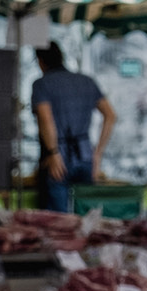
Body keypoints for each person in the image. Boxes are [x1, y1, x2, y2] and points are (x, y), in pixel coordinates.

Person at [31, 43, 111, 212]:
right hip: (86, 156)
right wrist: (97, 154)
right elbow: (111, 116)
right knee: (86, 216)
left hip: (58, 159)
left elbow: (46, 119)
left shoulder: (42, 84)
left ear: (40, 61)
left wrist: (53, 153)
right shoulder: (86, 81)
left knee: (59, 223)